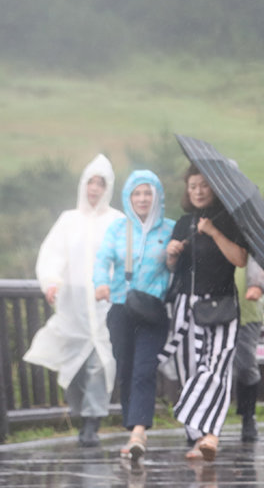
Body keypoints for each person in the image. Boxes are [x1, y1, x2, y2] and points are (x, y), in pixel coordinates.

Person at [24, 154, 124, 448]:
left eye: (100, 183)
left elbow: (125, 260)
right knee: (76, 365)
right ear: (83, 185)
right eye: (90, 182)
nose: (94, 189)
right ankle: (81, 415)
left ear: (108, 187)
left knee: (99, 362)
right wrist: (51, 281)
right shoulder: (68, 220)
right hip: (73, 305)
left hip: (104, 301)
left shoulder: (117, 221)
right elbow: (51, 255)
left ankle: (92, 423)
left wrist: (115, 287)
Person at [159, 164, 248, 461]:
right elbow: (175, 269)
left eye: (204, 186)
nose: (197, 191)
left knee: (216, 367)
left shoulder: (229, 221)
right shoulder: (183, 223)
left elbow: (239, 259)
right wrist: (171, 255)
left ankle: (211, 435)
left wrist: (212, 231)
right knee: (189, 369)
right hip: (186, 305)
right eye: (193, 186)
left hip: (221, 305)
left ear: (214, 189)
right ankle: (197, 437)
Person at [92, 169, 175, 463]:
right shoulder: (118, 229)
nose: (142, 199)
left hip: (153, 311)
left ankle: (139, 431)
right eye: (137, 193)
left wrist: (174, 258)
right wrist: (100, 282)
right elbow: (102, 259)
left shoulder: (170, 230)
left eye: (148, 193)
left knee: (143, 369)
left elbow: (179, 273)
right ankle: (133, 428)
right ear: (129, 197)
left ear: (157, 196)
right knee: (125, 368)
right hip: (120, 308)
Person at [233, 257, 264, 442]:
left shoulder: (252, 231)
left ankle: (248, 415)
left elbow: (263, 258)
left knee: (246, 366)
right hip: (214, 308)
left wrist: (259, 284)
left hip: (247, 310)